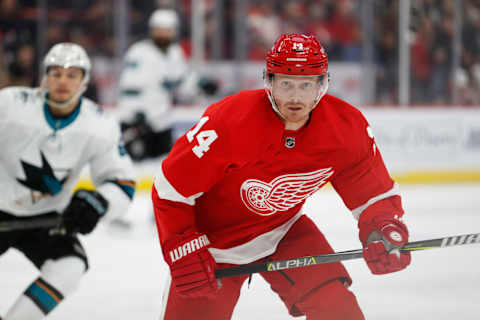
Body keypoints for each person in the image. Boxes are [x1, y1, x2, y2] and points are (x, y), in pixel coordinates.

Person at [151, 33, 411, 319]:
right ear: (269, 82)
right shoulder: (229, 121)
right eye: (286, 84)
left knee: (338, 309)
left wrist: (382, 228)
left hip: (283, 230)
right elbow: (170, 188)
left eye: (306, 84)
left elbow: (371, 193)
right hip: (213, 246)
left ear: (321, 85)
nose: (296, 97)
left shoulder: (345, 129)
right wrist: (182, 245)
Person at [0, 42, 136, 319]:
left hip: (48, 219)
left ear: (84, 82)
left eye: (72, 74)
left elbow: (121, 181)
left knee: (70, 267)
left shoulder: (99, 124)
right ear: (43, 77)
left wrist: (100, 202)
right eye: (56, 73)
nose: (63, 81)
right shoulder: (9, 105)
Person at [117, 8, 217, 161]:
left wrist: (201, 85)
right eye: (160, 30)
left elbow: (183, 80)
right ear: (152, 30)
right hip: (137, 123)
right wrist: (136, 114)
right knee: (132, 164)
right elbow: (129, 87)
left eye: (167, 30)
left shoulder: (175, 53)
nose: (163, 34)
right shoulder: (139, 52)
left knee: (162, 166)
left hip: (161, 121)